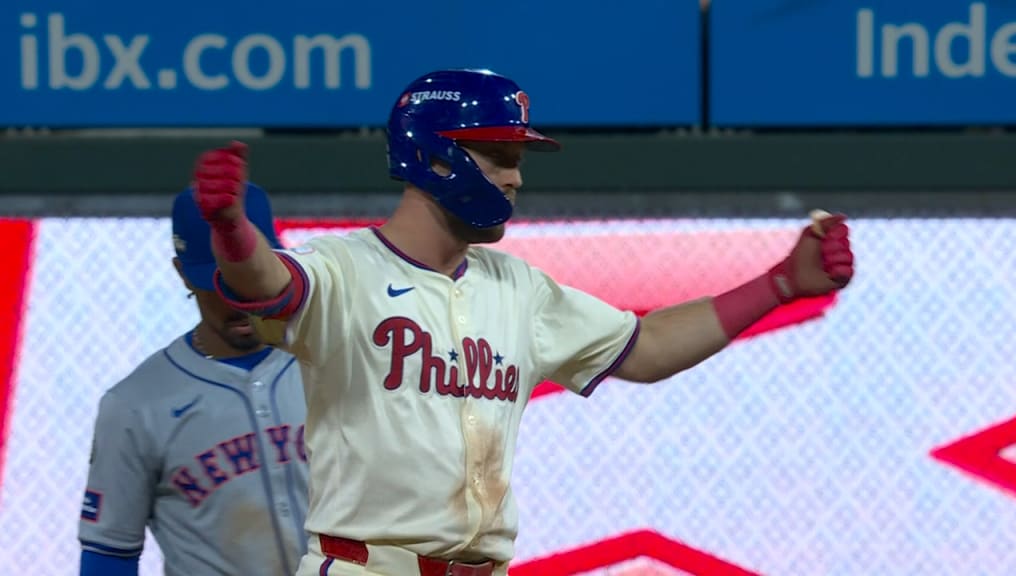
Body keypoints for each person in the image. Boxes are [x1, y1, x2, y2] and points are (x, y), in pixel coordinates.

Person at [190, 69, 855, 576]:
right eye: (499, 156)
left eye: (517, 160)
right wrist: (230, 230)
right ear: (434, 154)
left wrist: (780, 285)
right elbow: (266, 283)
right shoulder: (345, 268)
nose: (514, 179)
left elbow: (647, 347)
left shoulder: (518, 288)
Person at [77, 184, 310, 576]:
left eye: (248, 273)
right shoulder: (134, 405)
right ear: (183, 273)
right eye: (218, 281)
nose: (238, 296)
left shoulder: (331, 361)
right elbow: (109, 553)